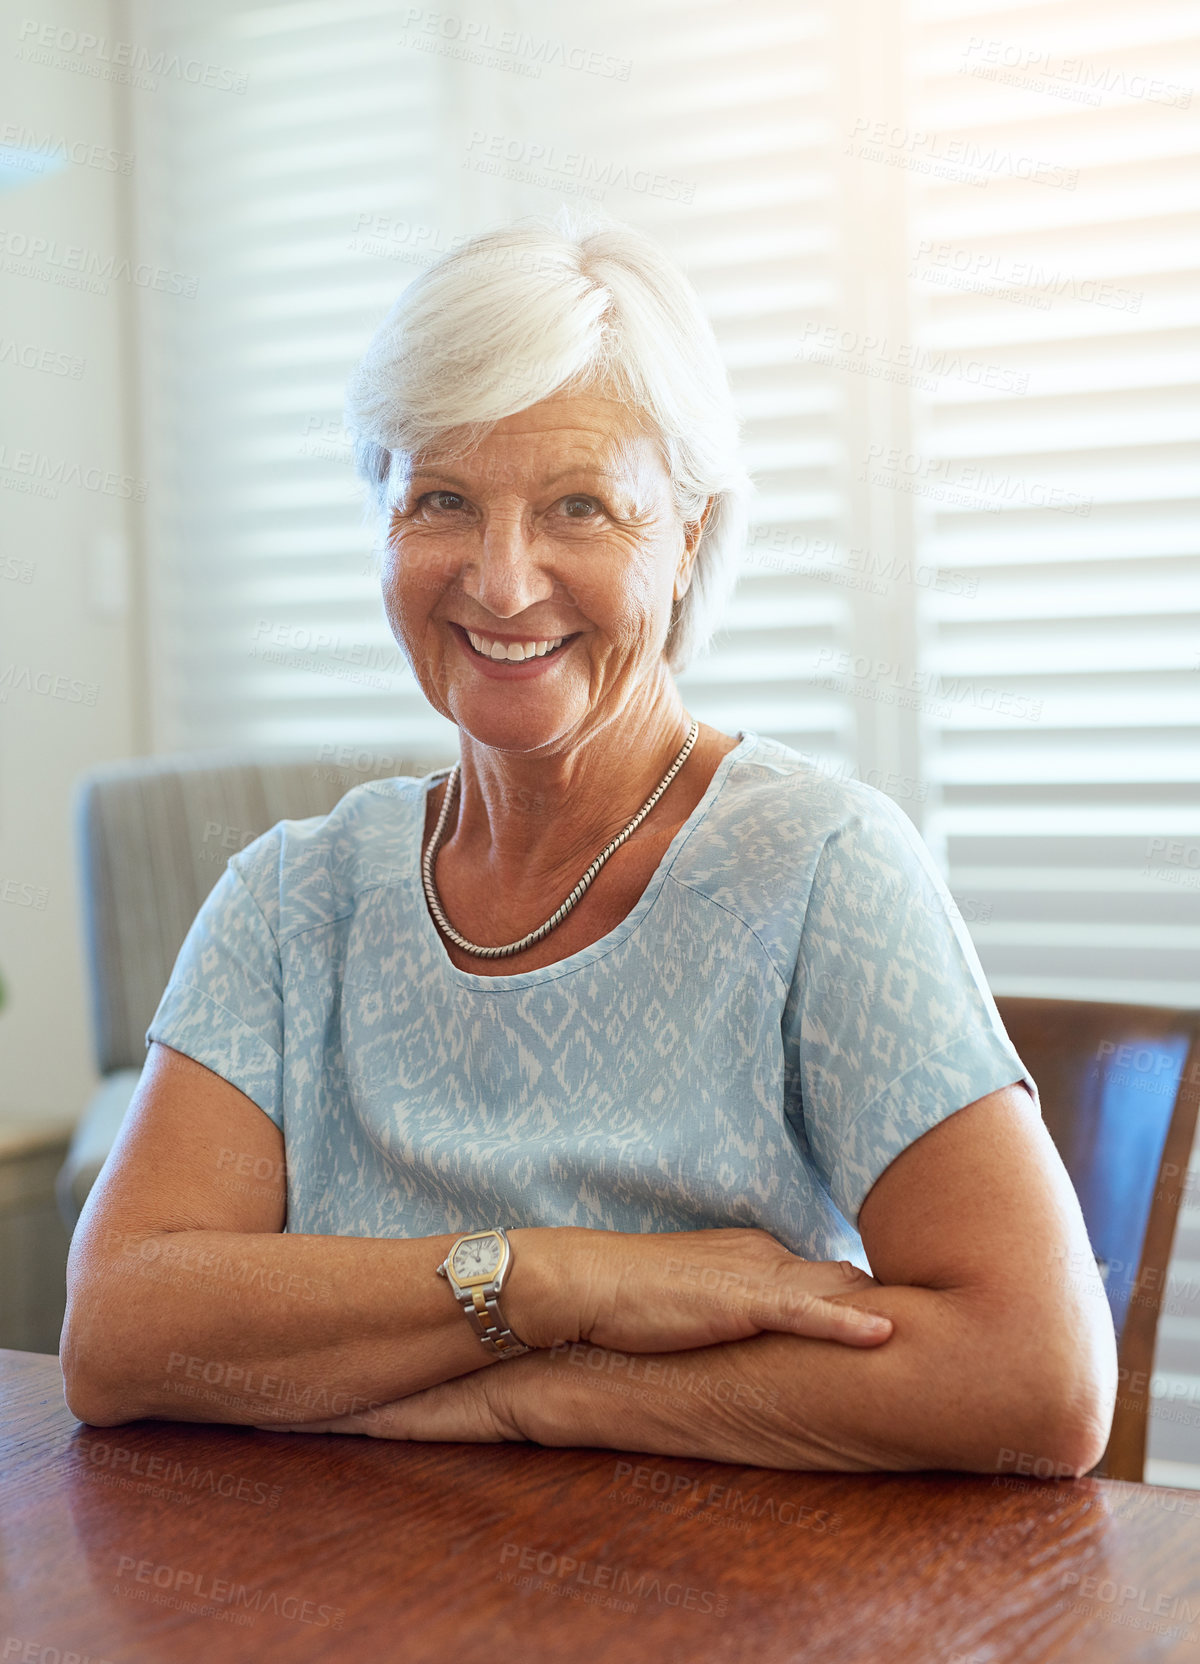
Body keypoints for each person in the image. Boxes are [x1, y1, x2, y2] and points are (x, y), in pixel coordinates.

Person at [61, 213, 1116, 1475]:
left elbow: (1035, 1372)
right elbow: (122, 1329)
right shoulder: (292, 897)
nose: (503, 583)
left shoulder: (820, 868)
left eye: (580, 506)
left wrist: (532, 1396)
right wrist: (555, 1281)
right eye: (441, 499)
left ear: (686, 539)